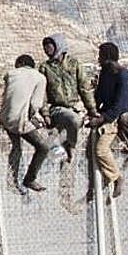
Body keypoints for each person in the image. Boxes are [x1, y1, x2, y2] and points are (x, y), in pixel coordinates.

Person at [0, 54, 55, 193]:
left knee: (16, 148)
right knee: (43, 148)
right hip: (20, 120)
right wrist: (38, 120)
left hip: (5, 118)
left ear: (20, 63)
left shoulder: (10, 74)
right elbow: (35, 104)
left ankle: (12, 181)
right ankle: (29, 179)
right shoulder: (40, 78)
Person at [38, 34, 97, 165]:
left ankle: (68, 148)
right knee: (73, 120)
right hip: (57, 109)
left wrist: (91, 109)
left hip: (74, 107)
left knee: (73, 122)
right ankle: (70, 146)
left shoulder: (74, 64)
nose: (47, 49)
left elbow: (84, 88)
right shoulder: (45, 67)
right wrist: (45, 114)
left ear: (58, 45)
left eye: (49, 46)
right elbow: (41, 93)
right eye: (45, 46)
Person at [87, 43, 128, 198]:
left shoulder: (123, 75)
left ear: (107, 57)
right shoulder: (106, 73)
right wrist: (93, 112)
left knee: (101, 150)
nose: (98, 59)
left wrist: (102, 119)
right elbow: (99, 97)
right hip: (107, 114)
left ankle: (116, 178)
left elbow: (120, 105)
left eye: (100, 55)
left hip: (116, 118)